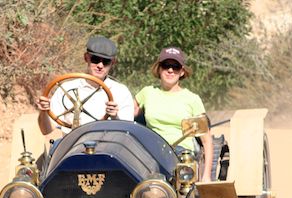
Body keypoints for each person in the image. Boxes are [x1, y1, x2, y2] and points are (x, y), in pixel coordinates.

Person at [134, 47, 213, 182]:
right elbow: (126, 114)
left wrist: (206, 176)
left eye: (175, 67)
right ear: (159, 69)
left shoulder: (192, 99)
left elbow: (206, 140)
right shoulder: (147, 93)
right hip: (152, 150)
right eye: (166, 66)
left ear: (182, 71)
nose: (170, 70)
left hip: (181, 153)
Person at [35, 35, 134, 136]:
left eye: (106, 61)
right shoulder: (67, 88)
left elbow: (126, 133)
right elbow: (46, 130)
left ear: (113, 62)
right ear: (86, 58)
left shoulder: (121, 92)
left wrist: (114, 117)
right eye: (95, 59)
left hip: (107, 148)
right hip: (72, 147)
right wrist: (43, 111)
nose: (100, 65)